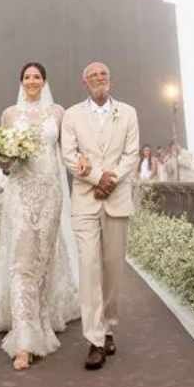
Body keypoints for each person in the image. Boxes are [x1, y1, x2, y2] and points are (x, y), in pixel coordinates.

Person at [0, 62, 79, 370]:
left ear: (44, 81)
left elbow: (66, 154)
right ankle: (24, 338)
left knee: (44, 259)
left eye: (36, 76)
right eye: (26, 77)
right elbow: (3, 165)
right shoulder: (9, 115)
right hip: (21, 193)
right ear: (20, 81)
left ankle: (43, 316)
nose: (31, 81)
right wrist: (6, 159)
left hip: (50, 192)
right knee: (22, 261)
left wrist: (87, 172)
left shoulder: (58, 113)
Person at [61, 61, 140, 370]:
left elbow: (131, 153)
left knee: (112, 270)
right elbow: (69, 155)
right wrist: (97, 178)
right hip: (85, 200)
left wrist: (111, 179)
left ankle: (108, 327)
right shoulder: (71, 115)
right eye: (92, 75)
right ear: (85, 82)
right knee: (89, 268)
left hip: (117, 199)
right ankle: (94, 340)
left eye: (103, 74)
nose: (98, 79)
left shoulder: (129, 112)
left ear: (110, 79)